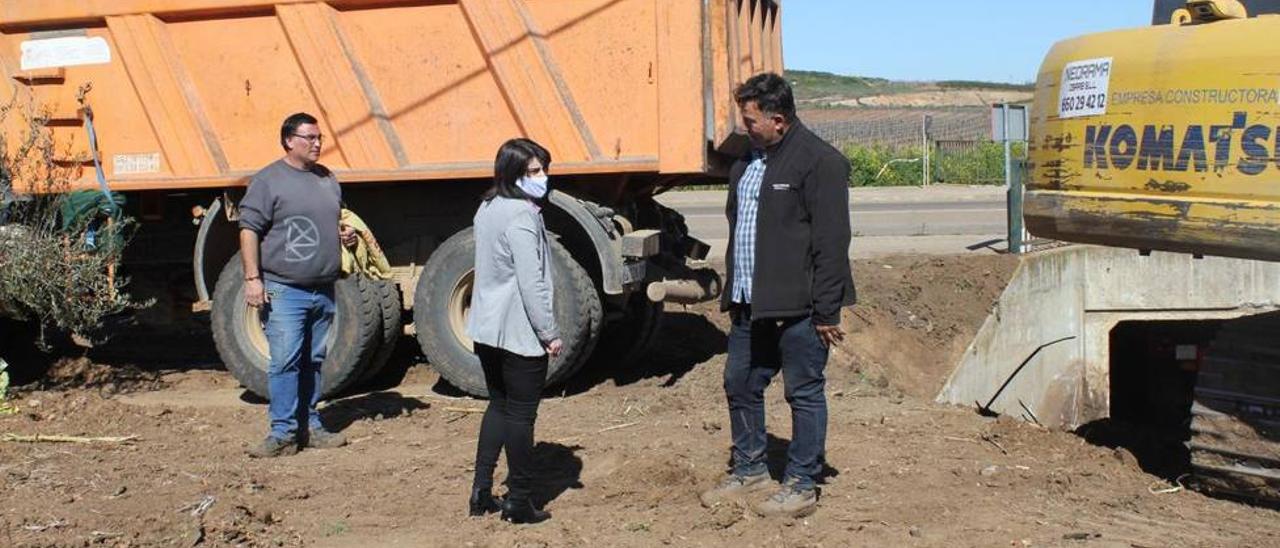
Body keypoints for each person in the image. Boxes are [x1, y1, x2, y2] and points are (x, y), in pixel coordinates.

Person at [698, 73, 856, 518]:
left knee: (803, 392)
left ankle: (802, 483)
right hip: (751, 302)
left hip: (800, 308)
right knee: (741, 383)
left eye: (750, 120)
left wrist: (827, 311)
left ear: (779, 120)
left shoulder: (819, 163)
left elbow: (831, 243)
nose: (743, 127)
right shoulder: (747, 163)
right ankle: (749, 469)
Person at [239, 112, 357, 458]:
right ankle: (283, 433)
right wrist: (252, 279)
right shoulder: (268, 181)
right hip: (285, 289)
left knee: (313, 360)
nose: (317, 143)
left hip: (323, 288)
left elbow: (335, 221)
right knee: (285, 362)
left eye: (319, 137)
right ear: (289, 140)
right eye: (309, 137)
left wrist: (345, 236)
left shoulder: (327, 179)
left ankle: (311, 425)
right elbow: (249, 230)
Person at [465, 138, 563, 524]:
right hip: (519, 331)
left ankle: (481, 491)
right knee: (522, 417)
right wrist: (550, 332)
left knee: (499, 407)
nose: (543, 178)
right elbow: (532, 282)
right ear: (513, 174)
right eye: (534, 172)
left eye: (544, 169)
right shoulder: (522, 215)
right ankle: (519, 501)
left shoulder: (488, 206)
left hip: (488, 328)